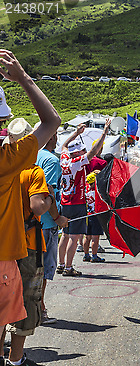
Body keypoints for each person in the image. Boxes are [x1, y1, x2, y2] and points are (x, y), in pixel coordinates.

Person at [0, 49, 61, 366]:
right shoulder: (11, 161)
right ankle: (16, 358)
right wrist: (22, 77)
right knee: (20, 308)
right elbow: (52, 120)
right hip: (13, 252)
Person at [3, 121, 54, 366]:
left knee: (3, 301)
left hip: (5, 244)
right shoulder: (33, 170)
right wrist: (49, 199)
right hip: (29, 243)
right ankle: (16, 357)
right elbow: (37, 206)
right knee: (26, 300)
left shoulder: (6, 165)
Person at [57, 120, 111, 277]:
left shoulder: (64, 158)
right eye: (81, 151)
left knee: (65, 235)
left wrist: (76, 133)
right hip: (77, 203)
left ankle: (60, 265)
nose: (83, 153)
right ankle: (68, 267)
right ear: (77, 153)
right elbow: (93, 152)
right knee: (73, 238)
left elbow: (64, 145)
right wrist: (104, 133)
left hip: (65, 202)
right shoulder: (76, 162)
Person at [35, 129, 69, 325]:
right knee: (43, 272)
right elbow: (48, 192)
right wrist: (57, 218)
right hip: (46, 223)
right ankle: (40, 309)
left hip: (30, 221)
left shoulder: (33, 154)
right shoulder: (52, 161)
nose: (57, 138)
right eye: (55, 134)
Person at [82, 172, 105, 263]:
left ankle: (86, 255)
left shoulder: (86, 190)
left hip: (87, 215)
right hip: (96, 216)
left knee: (87, 237)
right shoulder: (98, 191)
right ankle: (94, 256)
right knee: (95, 237)